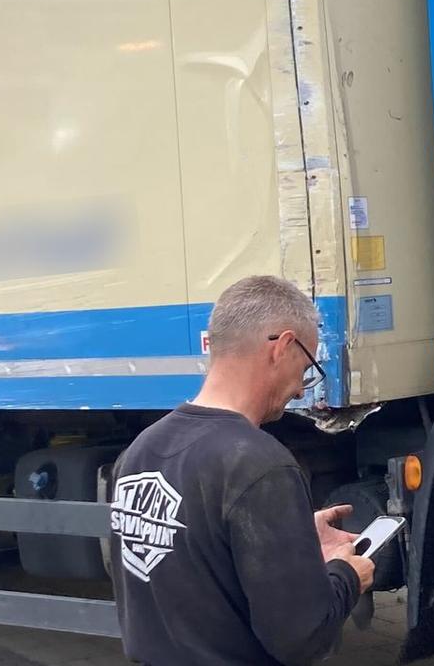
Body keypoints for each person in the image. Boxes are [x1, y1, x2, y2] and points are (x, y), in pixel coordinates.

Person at [109, 276, 375, 665]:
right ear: (283, 347)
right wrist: (347, 576)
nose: (301, 390)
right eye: (306, 367)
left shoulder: (139, 452)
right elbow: (302, 638)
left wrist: (291, 536)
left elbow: (192, 563)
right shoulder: (259, 465)